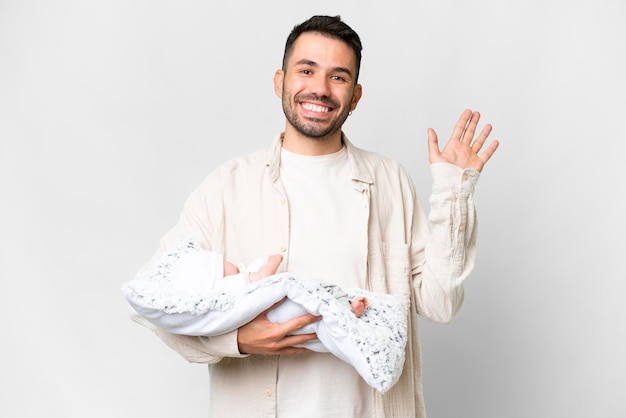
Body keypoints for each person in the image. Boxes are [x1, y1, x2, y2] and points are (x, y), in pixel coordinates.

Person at [130, 14, 499, 417]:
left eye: (338, 77)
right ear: (280, 81)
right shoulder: (226, 187)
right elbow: (153, 302)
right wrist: (237, 340)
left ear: (355, 96)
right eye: (307, 70)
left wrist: (453, 191)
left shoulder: (390, 181)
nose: (320, 89)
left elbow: (441, 304)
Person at [224, 253, 369, 318]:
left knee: (318, 304)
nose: (234, 265)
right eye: (224, 266)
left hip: (282, 307)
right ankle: (347, 309)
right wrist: (272, 261)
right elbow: (262, 275)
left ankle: (347, 308)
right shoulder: (230, 285)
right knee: (317, 300)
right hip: (282, 307)